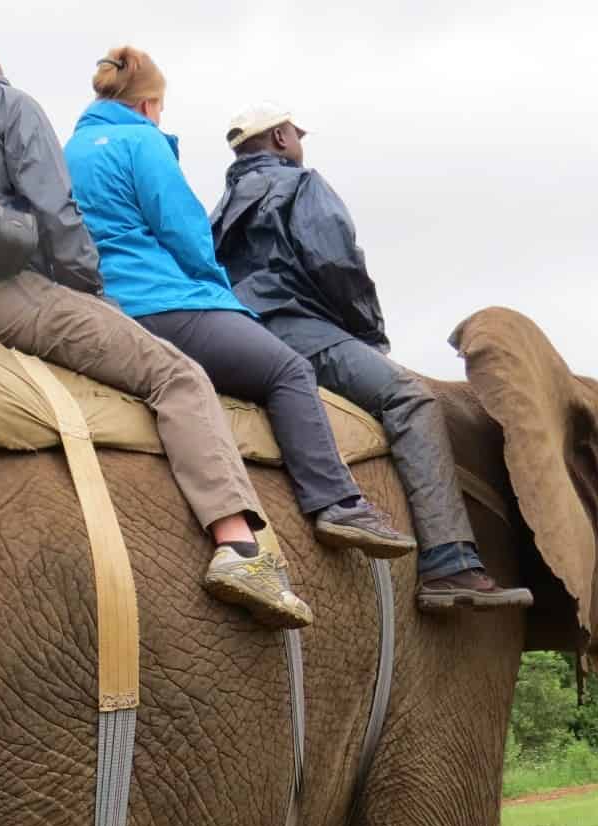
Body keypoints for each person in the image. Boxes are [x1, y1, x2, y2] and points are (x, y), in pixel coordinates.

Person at [0, 50, 312, 629]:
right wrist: (89, 290)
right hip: (2, 295)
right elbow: (56, 211)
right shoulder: (7, 104)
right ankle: (240, 548)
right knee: (176, 376)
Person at [63, 47, 415, 563]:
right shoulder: (143, 142)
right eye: (161, 109)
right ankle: (337, 502)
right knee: (288, 370)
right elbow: (185, 235)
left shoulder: (68, 150)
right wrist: (221, 296)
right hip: (163, 304)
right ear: (147, 105)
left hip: (99, 313)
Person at [211, 104, 533, 611]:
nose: (300, 143)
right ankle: (449, 563)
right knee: (410, 398)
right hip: (298, 331)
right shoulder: (301, 185)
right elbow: (338, 262)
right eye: (296, 134)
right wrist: (367, 333)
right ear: (279, 138)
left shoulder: (221, 208)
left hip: (239, 335)